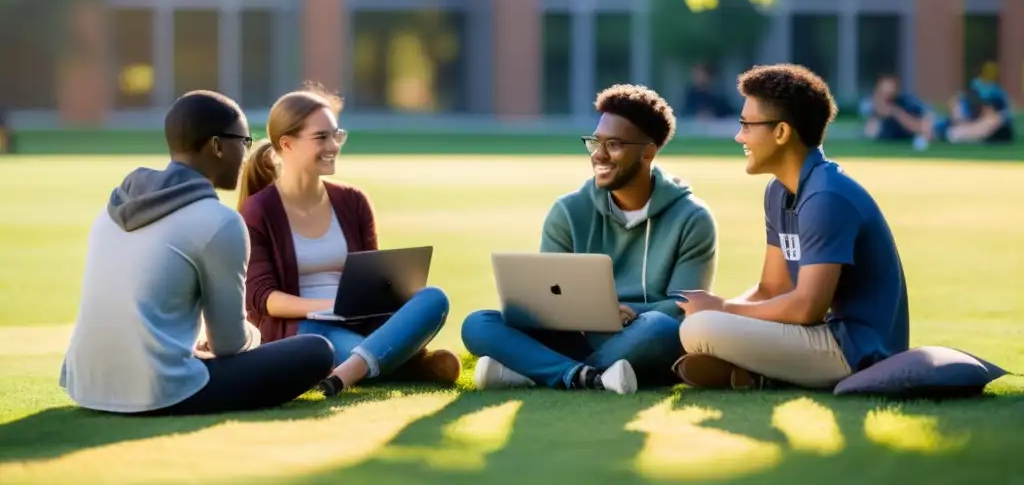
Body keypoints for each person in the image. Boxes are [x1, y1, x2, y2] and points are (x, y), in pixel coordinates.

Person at [60, 90, 336, 415]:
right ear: (217, 146)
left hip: (86, 385)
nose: (246, 156)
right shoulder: (219, 221)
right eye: (244, 142)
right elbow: (229, 344)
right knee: (317, 352)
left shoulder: (114, 207)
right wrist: (255, 336)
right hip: (160, 391)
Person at [462, 84, 718, 394]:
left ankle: (537, 371)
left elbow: (684, 305)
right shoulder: (568, 211)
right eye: (595, 143)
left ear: (648, 151)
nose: (598, 155)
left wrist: (631, 312)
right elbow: (549, 299)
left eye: (614, 145)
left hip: (640, 334)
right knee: (478, 324)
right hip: (575, 334)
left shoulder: (692, 219)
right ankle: (588, 376)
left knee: (660, 328)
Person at [674, 64, 910, 391]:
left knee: (698, 330)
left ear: (782, 133)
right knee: (697, 325)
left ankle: (755, 371)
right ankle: (755, 374)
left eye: (746, 125)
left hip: (855, 349)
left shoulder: (826, 196)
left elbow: (807, 307)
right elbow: (771, 289)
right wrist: (718, 312)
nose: (738, 136)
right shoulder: (778, 192)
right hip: (817, 335)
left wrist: (722, 309)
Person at [237, 84, 460, 397]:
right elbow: (265, 299)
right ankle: (404, 364)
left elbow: (372, 279)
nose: (333, 145)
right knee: (350, 347)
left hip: (361, 321)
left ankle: (353, 370)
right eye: (321, 137)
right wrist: (330, 307)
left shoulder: (353, 201)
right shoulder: (258, 211)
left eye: (336, 134)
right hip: (304, 328)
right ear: (287, 144)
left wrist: (387, 294)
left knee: (434, 299)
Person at [860, 73, 930, 145]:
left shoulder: (907, 102)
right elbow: (870, 132)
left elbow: (923, 126)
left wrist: (895, 112)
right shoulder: (870, 107)